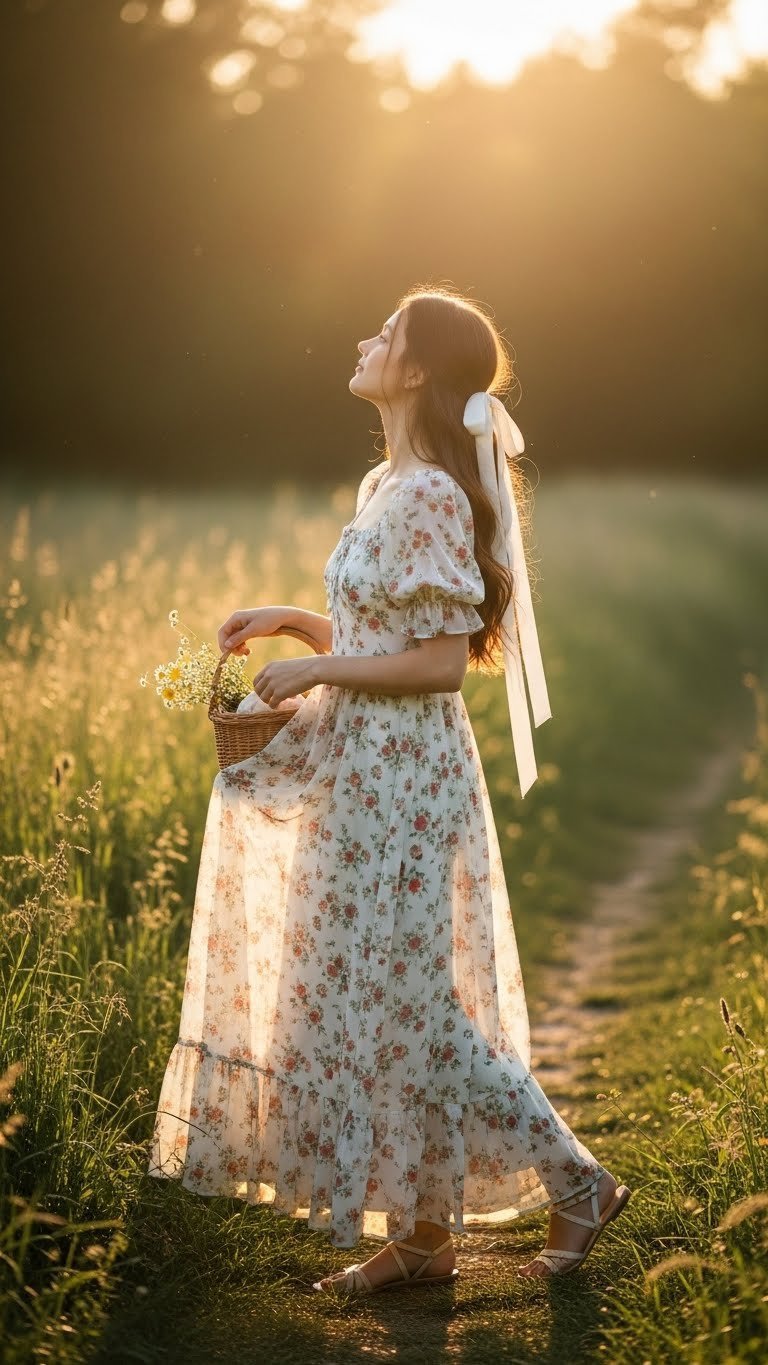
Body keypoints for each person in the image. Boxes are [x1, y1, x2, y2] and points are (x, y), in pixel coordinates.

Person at [147, 285, 631, 1294]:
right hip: (364, 771)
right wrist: (301, 625)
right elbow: (385, 643)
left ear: (412, 372)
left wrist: (318, 674)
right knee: (372, 1001)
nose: (366, 340)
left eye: (387, 333)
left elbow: (443, 664)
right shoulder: (386, 485)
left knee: (412, 1005)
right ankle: (422, 1236)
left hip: (406, 782)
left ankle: (576, 1180)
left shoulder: (432, 497)